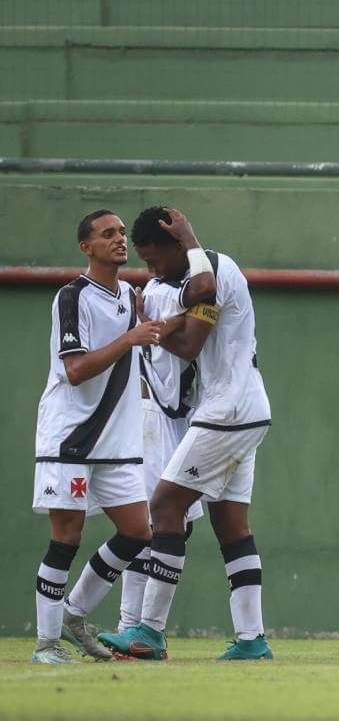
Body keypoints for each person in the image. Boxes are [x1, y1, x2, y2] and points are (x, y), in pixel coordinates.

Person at [99, 206, 274, 661]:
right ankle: (253, 640)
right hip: (245, 409)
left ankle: (148, 632)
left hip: (227, 410)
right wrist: (159, 322)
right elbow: (180, 312)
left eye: (156, 259)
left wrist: (151, 331)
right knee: (232, 526)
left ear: (179, 245)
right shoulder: (179, 280)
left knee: (163, 504)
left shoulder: (210, 266)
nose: (151, 269)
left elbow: (191, 338)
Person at [30, 209, 167, 664]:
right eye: (108, 234)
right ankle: (46, 645)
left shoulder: (131, 294)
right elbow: (74, 370)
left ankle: (75, 613)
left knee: (137, 531)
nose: (119, 239)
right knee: (65, 538)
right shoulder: (72, 297)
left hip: (117, 443)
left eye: (122, 232)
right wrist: (131, 339)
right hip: (71, 438)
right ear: (86, 247)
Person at [116, 249, 211, 634]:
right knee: (154, 525)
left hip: (183, 419)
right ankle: (130, 628)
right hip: (154, 416)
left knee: (175, 526)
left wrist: (168, 323)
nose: (149, 267)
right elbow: (205, 290)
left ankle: (138, 629)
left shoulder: (165, 292)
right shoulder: (162, 291)